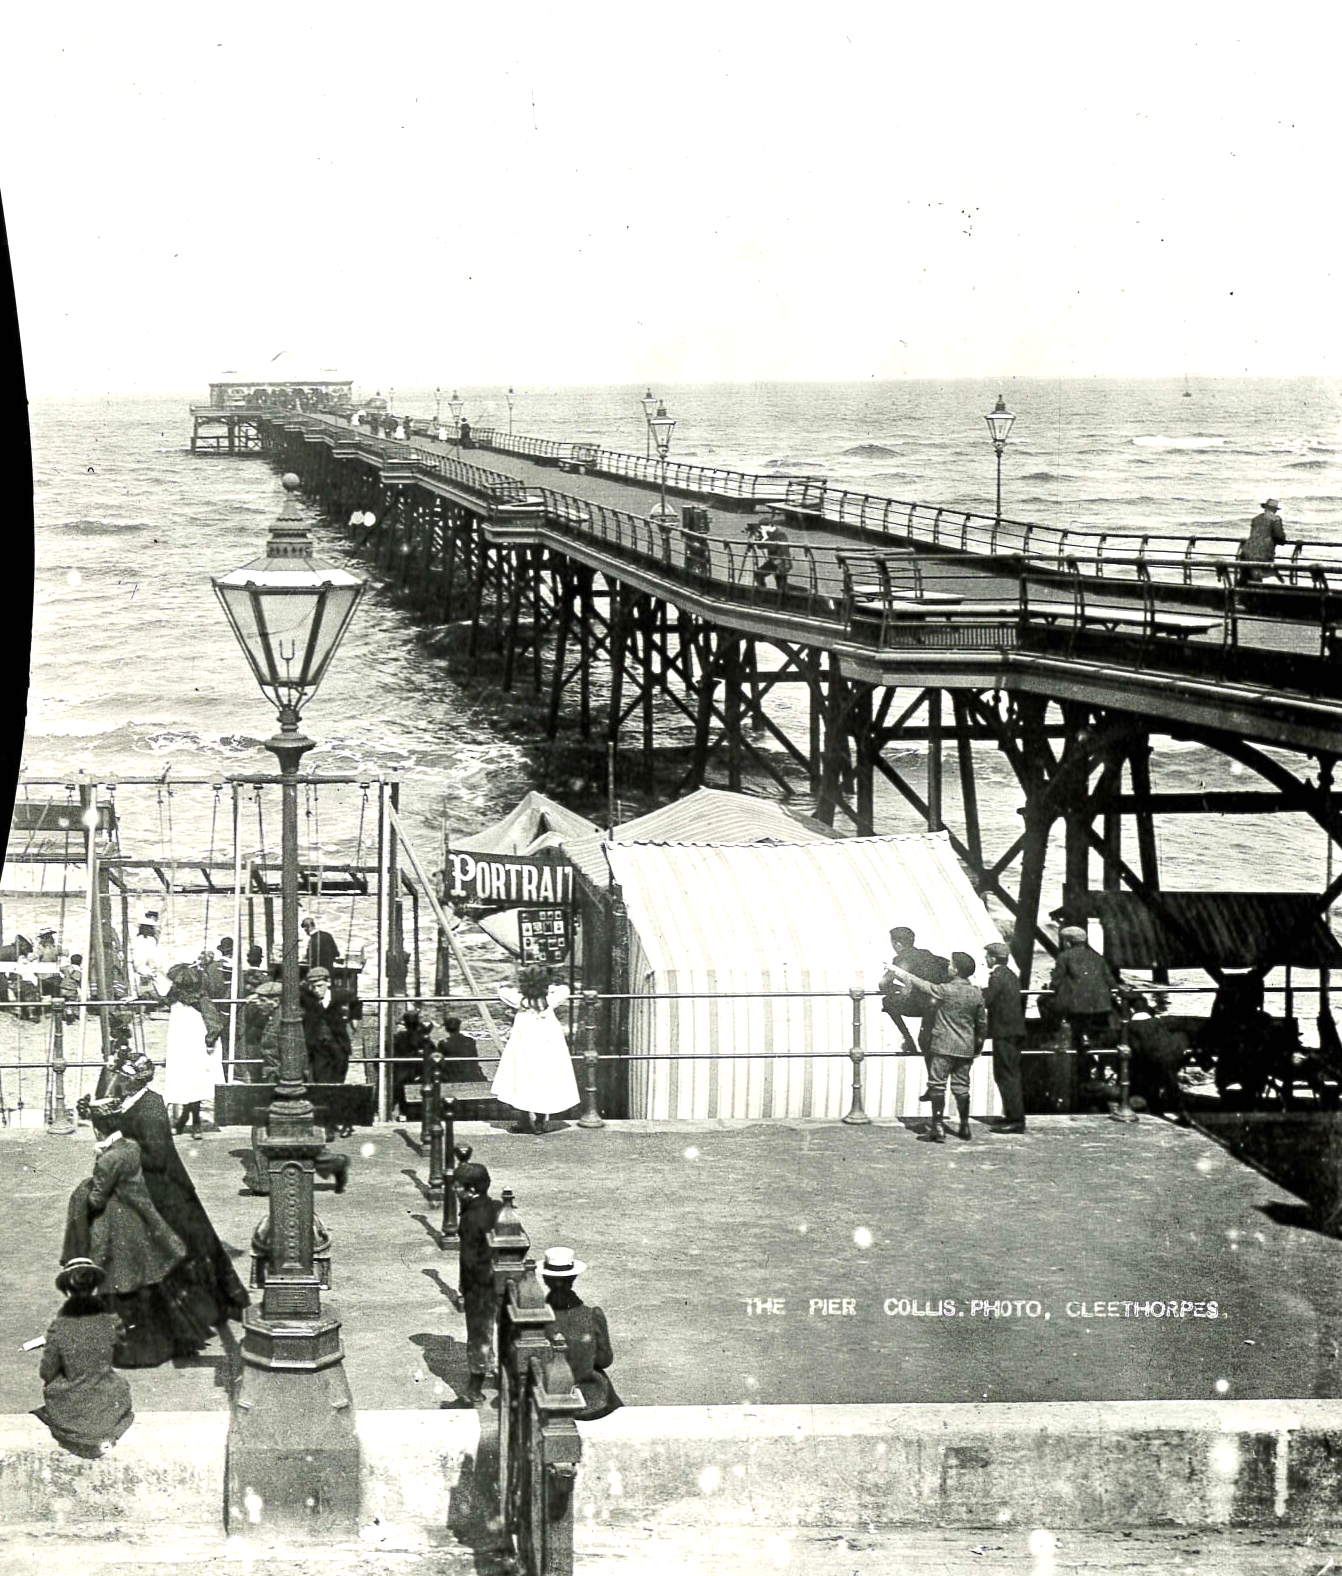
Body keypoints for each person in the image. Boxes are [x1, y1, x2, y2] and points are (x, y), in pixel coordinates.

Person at [107, 1050, 250, 1334]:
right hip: (159, 1187)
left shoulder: (149, 1110)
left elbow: (157, 1156)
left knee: (181, 1249)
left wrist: (118, 1149)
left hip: (164, 1190)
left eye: (124, 1079)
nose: (119, 1083)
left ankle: (197, 1313)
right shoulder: (141, 1101)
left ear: (137, 1082)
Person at [63, 1097, 199, 1367]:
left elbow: (97, 1200)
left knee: (117, 1282)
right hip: (140, 1219)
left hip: (116, 1224)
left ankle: (126, 1350)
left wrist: (88, 1185)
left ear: (97, 1128)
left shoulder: (108, 1159)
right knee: (144, 1280)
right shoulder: (132, 1147)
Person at [33, 1259, 135, 1459]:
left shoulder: (59, 1326)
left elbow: (46, 1372)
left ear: (67, 1290)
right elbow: (122, 1356)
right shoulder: (111, 1321)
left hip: (71, 1413)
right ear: (94, 1286)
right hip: (107, 1406)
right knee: (116, 1386)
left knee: (55, 1389)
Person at [885, 950, 987, 1143]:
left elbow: (919, 983)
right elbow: (981, 1024)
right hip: (966, 1046)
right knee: (962, 1087)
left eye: (950, 964)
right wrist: (977, 1047)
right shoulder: (976, 993)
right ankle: (964, 1127)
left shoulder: (944, 990)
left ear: (955, 970)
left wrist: (896, 970)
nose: (948, 966)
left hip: (943, 1045)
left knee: (937, 1084)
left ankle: (938, 1127)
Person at [492, 964, 580, 1135]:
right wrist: (551, 987)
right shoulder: (549, 1002)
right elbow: (565, 989)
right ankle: (540, 1121)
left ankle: (524, 1120)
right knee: (544, 1078)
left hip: (525, 1049)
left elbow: (501, 990)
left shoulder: (519, 1001)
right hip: (546, 1048)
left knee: (523, 1078)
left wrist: (518, 986)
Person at [540, 1247, 622, 1421]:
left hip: (551, 1396)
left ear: (545, 1279)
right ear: (573, 1278)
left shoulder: (537, 1318)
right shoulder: (592, 1316)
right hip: (593, 1399)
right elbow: (604, 1360)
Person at [450, 1160, 502, 1407]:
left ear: (470, 1190)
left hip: (479, 1287)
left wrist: (465, 1287)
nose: (455, 1191)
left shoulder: (470, 1218)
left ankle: (475, 1388)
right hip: (501, 1281)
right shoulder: (498, 1208)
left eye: (458, 1186)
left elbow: (468, 1259)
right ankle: (500, 1375)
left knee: (479, 1335)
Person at [879, 926, 952, 1093]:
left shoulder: (900, 960)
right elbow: (948, 968)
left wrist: (898, 991)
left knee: (888, 1002)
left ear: (897, 944)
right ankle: (936, 1084)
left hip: (918, 1005)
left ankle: (907, 1038)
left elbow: (883, 984)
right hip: (935, 1005)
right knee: (927, 1042)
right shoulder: (928, 955)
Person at [159, 962, 224, 1141]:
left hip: (196, 1045)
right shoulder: (177, 997)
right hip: (182, 1045)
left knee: (194, 1083)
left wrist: (209, 1042)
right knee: (186, 1082)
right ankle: (186, 1120)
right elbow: (161, 998)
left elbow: (214, 1024)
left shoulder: (200, 1000)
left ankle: (191, 1121)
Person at [982, 940, 1027, 1133]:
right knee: (1010, 1073)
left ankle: (1016, 1120)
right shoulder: (1010, 975)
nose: (986, 959)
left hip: (1004, 1031)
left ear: (993, 958)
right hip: (1014, 1030)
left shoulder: (997, 976)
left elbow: (987, 999)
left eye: (987, 956)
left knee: (1005, 1075)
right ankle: (1011, 1115)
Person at [392, 1007, 436, 1121]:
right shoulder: (423, 1038)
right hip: (420, 1072)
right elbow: (434, 1054)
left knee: (399, 1083)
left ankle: (403, 1112)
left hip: (403, 1074)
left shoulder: (399, 1037)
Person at [1241, 498, 1286, 584]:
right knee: (1268, 575)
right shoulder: (1276, 519)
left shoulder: (1256, 518)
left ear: (1265, 508)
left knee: (1247, 580)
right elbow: (1280, 537)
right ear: (1275, 510)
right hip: (1263, 554)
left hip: (1246, 552)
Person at [439, 1015, 485, 1084]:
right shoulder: (470, 1040)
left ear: (446, 1029)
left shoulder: (443, 1043)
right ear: (458, 1027)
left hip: (452, 1075)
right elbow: (475, 1058)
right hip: (469, 1073)